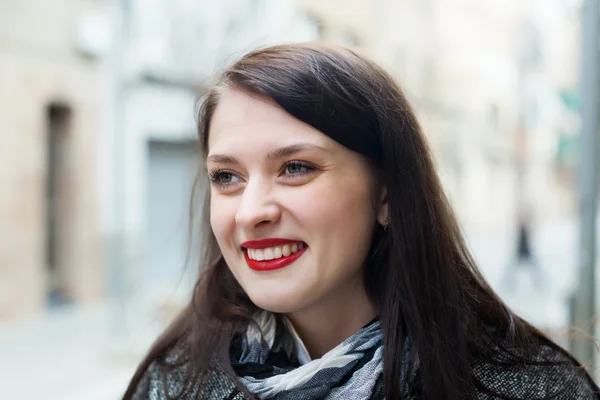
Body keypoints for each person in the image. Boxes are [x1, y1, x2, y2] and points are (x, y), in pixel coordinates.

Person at [123, 43, 599, 400]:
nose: (250, 212)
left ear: (387, 194)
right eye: (227, 176)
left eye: (296, 168)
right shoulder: (172, 382)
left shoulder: (528, 388)